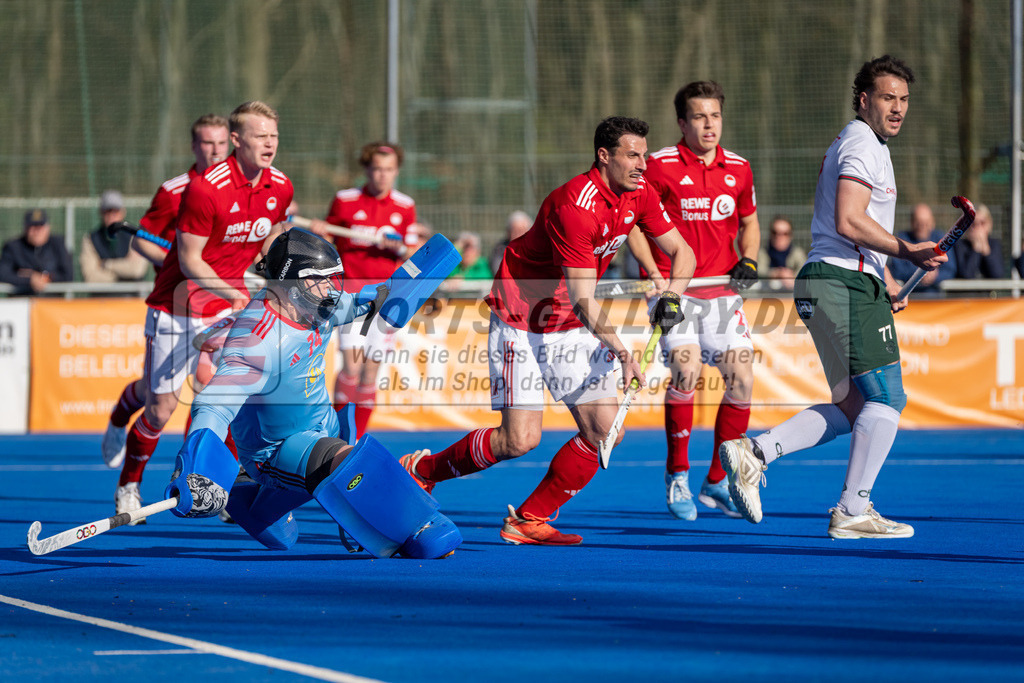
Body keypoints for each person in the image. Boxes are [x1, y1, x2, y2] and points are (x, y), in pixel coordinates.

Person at [401, 116, 695, 545]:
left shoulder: (641, 193)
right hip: (522, 317)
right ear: (604, 156)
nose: (642, 164)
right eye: (632, 155)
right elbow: (583, 299)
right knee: (518, 440)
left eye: (644, 155)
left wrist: (673, 296)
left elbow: (682, 251)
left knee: (605, 430)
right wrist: (624, 353)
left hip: (568, 323)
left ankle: (529, 519)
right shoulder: (574, 207)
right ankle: (422, 470)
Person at [720, 55, 947, 539]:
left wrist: (886, 280)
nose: (898, 108)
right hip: (842, 283)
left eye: (904, 100)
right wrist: (907, 250)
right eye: (888, 97)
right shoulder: (863, 143)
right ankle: (852, 509)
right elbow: (848, 219)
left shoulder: (863, 142)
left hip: (831, 280)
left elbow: (852, 229)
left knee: (852, 406)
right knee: (887, 397)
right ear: (864, 99)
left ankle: (755, 452)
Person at [167, 228, 461, 559]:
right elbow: (213, 405)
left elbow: (363, 302)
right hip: (277, 450)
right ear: (295, 284)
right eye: (322, 280)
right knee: (351, 461)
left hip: (322, 424)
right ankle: (416, 527)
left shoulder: (317, 305)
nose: (331, 288)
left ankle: (259, 507)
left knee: (340, 448)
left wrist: (390, 293)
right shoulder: (257, 341)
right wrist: (197, 469)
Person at [112, 101, 294, 522]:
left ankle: (219, 486)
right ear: (237, 140)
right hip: (178, 306)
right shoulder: (204, 189)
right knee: (160, 410)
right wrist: (233, 292)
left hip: (227, 306)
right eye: (260, 136)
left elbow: (270, 236)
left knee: (227, 398)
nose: (270, 144)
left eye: (274, 136)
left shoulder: (280, 185)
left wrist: (284, 269)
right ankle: (129, 484)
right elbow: (190, 259)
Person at [626, 80, 761, 522]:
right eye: (699, 117)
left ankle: (717, 481)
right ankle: (677, 475)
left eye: (715, 115)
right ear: (682, 123)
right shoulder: (660, 165)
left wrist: (750, 258)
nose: (709, 124)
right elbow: (631, 222)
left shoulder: (739, 168)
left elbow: (750, 221)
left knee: (742, 378)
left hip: (722, 292)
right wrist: (654, 274)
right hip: (674, 290)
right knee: (686, 369)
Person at [101, 114, 231, 469]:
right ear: (194, 146)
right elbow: (142, 241)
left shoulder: (236, 190)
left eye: (222, 143)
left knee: (211, 388)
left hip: (218, 305)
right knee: (155, 400)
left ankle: (194, 469)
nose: (216, 151)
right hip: (175, 304)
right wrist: (182, 262)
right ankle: (120, 416)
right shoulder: (174, 191)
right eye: (208, 143)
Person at [324, 142, 417, 438]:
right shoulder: (345, 200)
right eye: (377, 169)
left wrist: (398, 247)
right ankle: (335, 435)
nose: (382, 175)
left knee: (370, 373)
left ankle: (354, 439)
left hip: (387, 299)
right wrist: (320, 231)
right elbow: (327, 238)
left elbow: (412, 252)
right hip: (351, 295)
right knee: (351, 368)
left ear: (396, 171)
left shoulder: (405, 206)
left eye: (388, 169)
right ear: (366, 169)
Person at [79, 190, 149, 284]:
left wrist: (105, 264)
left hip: (131, 293)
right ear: (101, 212)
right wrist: (123, 275)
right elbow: (90, 277)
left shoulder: (134, 236)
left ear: (123, 212)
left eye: (115, 211)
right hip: (103, 293)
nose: (111, 215)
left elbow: (136, 269)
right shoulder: (90, 239)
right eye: (107, 211)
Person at [0, 209, 73, 295]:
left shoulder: (57, 244)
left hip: (52, 301)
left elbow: (68, 275)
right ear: (26, 228)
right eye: (33, 227)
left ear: (47, 228)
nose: (37, 232)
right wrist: (29, 280)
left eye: (40, 227)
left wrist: (45, 277)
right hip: (22, 300)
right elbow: (3, 274)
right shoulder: (13, 247)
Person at [888, 203, 957, 292]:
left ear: (932, 222)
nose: (922, 226)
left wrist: (935, 276)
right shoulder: (901, 239)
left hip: (936, 295)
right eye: (918, 222)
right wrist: (921, 274)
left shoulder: (941, 239)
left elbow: (950, 269)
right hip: (910, 295)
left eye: (926, 222)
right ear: (912, 222)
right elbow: (897, 270)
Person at [954, 203, 1005, 279]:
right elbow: (966, 275)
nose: (977, 227)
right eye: (973, 223)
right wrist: (976, 249)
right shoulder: (959, 245)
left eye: (982, 223)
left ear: (989, 224)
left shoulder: (994, 244)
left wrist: (986, 250)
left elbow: (998, 274)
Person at [758, 215, 806, 289]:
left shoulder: (798, 253)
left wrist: (790, 276)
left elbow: (805, 272)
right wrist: (775, 274)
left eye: (785, 233)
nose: (779, 237)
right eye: (775, 232)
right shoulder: (762, 253)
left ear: (791, 235)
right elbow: (757, 271)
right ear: (770, 233)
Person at [488, 210, 532, 274]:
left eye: (521, 231)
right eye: (515, 231)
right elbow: (498, 270)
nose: (518, 235)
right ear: (508, 232)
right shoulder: (500, 250)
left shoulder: (535, 249)